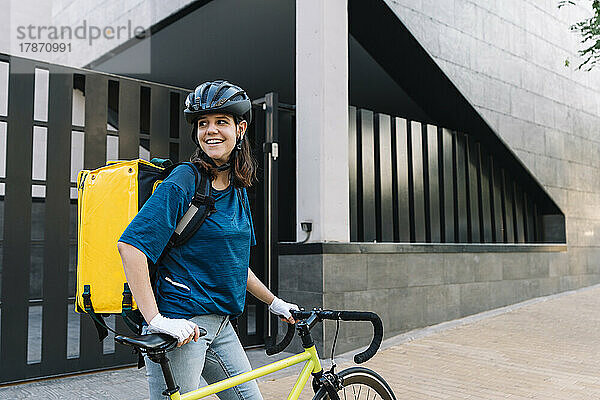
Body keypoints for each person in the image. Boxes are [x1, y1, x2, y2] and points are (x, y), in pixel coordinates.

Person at [117, 80, 298, 400]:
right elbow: (131, 246)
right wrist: (156, 320)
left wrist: (274, 303)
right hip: (182, 327)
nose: (211, 130)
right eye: (203, 123)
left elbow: (234, 264)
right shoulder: (185, 179)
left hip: (221, 325)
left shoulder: (237, 189)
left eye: (221, 122)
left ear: (240, 128)